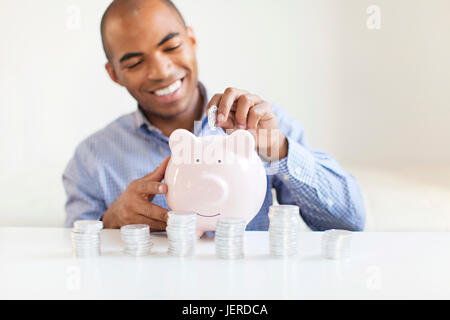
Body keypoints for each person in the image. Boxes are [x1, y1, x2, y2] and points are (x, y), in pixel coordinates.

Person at [63, 0, 365, 231]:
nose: (161, 71)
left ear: (192, 41)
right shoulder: (93, 159)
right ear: (114, 74)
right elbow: (73, 261)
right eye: (134, 63)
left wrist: (278, 150)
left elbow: (350, 222)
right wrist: (109, 223)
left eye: (171, 46)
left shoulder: (261, 126)